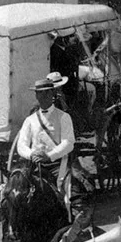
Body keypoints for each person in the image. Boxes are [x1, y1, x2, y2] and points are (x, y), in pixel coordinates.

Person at [12, 72, 77, 200]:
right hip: (34, 165)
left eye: (47, 92)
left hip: (57, 164)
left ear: (52, 94)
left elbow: (68, 142)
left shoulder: (64, 117)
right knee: (14, 191)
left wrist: (49, 156)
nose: (43, 96)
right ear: (36, 95)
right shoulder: (30, 120)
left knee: (71, 194)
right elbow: (21, 145)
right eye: (40, 93)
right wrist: (32, 154)